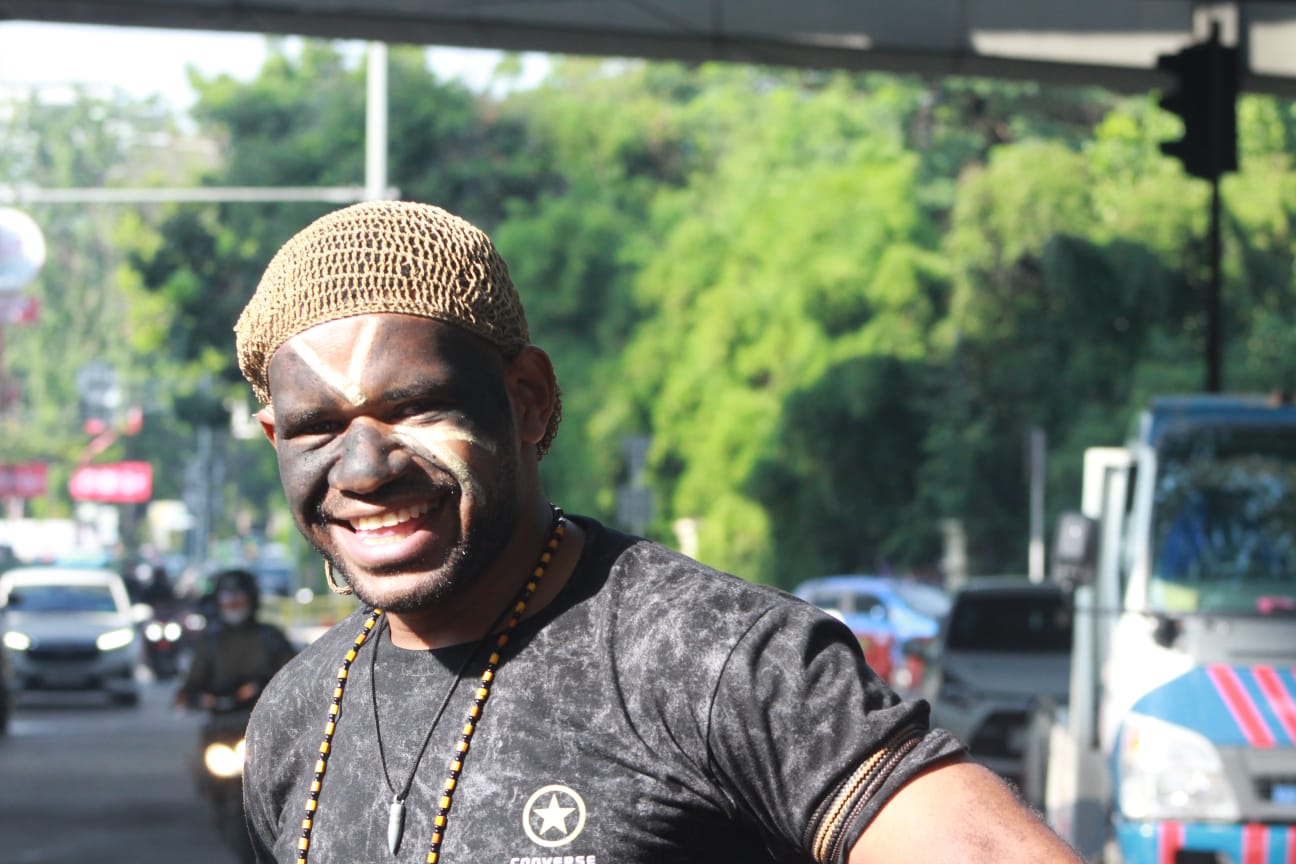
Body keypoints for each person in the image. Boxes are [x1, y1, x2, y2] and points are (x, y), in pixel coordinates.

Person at [233, 200, 1083, 863]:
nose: (364, 470)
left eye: (417, 407)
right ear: (275, 440)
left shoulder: (715, 660)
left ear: (528, 400)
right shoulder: (298, 714)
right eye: (318, 429)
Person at [174, 568, 297, 712]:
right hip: (219, 720)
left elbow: (295, 679)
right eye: (228, 603)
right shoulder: (210, 640)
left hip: (266, 718)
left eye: (239, 602)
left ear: (251, 600)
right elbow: (190, 688)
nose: (233, 606)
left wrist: (260, 689)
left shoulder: (271, 637)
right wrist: (201, 699)